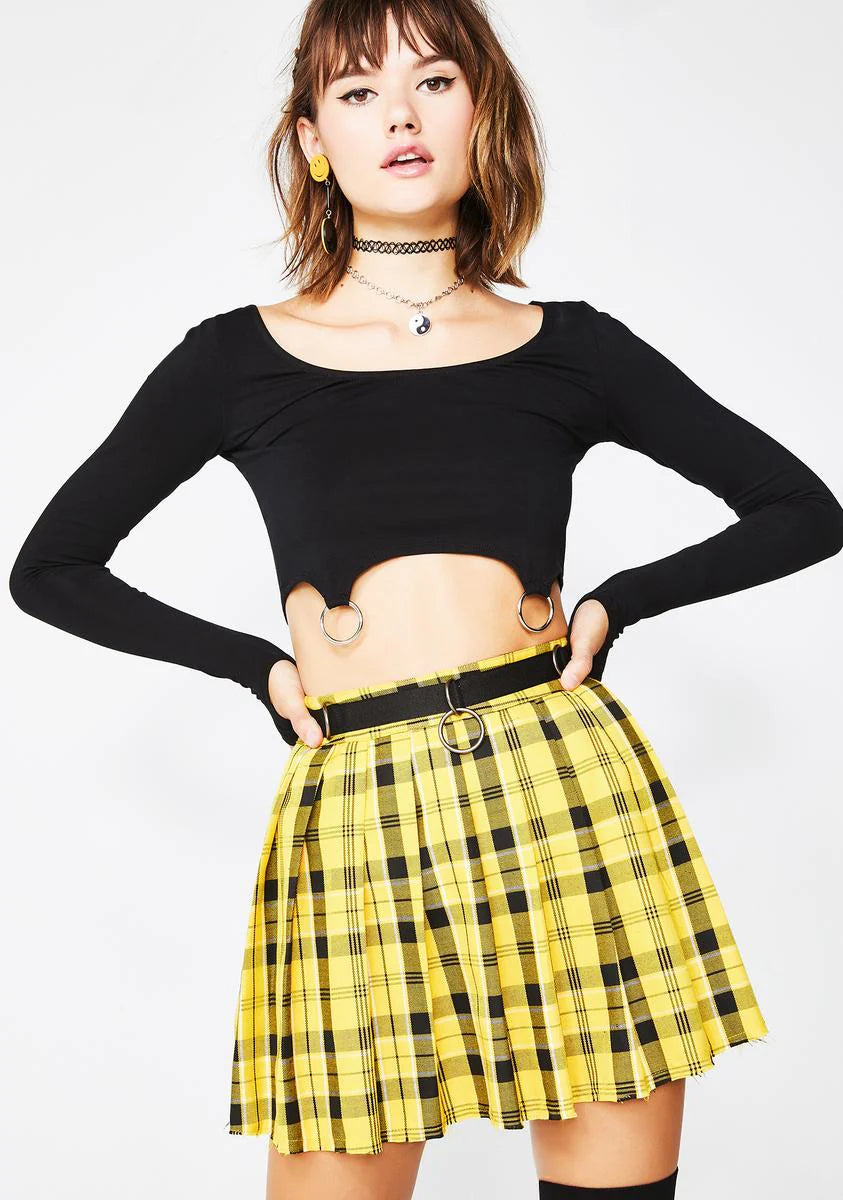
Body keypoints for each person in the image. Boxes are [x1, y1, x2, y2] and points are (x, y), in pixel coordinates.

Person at [8, 2, 843, 1198]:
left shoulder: (573, 347)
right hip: (358, 802)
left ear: (479, 110)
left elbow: (801, 508)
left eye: (434, 81)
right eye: (358, 92)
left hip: (563, 790)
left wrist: (619, 602)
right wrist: (255, 666)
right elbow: (52, 567)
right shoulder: (230, 361)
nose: (398, 114)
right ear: (313, 138)